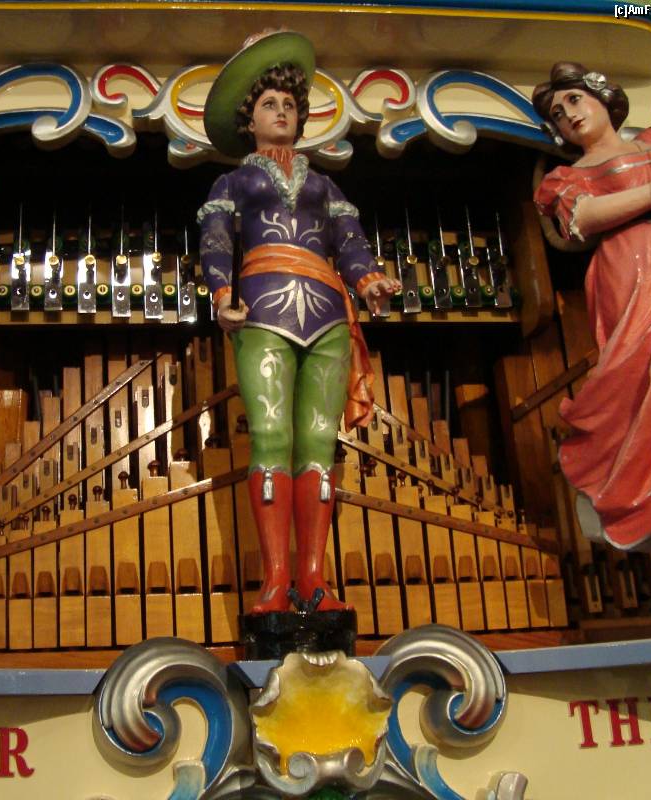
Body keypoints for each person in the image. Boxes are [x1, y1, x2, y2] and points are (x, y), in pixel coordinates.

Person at [199, 31, 400, 614]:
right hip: (262, 310)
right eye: (269, 104)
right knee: (270, 437)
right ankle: (274, 580)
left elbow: (351, 243)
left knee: (318, 441)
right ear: (249, 120)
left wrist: (369, 280)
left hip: (327, 312)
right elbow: (216, 240)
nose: (282, 112)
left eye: (289, 104)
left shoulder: (325, 184)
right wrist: (222, 294)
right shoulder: (233, 182)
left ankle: (313, 577)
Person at [533, 61, 651, 609]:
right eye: (557, 114)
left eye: (574, 100)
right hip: (627, 281)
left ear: (601, 97)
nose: (568, 115)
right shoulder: (565, 179)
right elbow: (584, 218)